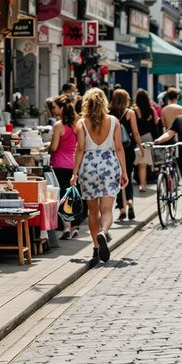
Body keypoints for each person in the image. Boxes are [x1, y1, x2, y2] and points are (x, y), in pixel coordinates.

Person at [72, 88, 128, 266]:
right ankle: (104, 231)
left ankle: (96, 248)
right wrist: (124, 171)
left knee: (92, 211)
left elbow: (80, 148)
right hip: (109, 165)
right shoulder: (113, 121)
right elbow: (119, 148)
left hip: (88, 165)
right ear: (104, 102)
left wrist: (75, 172)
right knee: (107, 210)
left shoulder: (82, 123)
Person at [49, 96, 79, 238]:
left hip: (59, 164)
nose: (53, 110)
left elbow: (54, 147)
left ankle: (66, 227)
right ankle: (73, 226)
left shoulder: (58, 126)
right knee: (71, 196)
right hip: (73, 164)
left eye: (54, 107)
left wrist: (47, 149)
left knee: (61, 196)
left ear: (61, 108)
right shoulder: (77, 124)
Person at [111, 89, 141, 222]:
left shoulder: (108, 113)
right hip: (128, 149)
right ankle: (129, 201)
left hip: (113, 150)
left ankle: (122, 209)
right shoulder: (130, 113)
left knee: (117, 178)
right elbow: (135, 132)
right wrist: (140, 146)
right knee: (128, 175)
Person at [133, 89, 158, 191]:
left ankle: (142, 184)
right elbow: (156, 122)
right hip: (149, 138)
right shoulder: (151, 109)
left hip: (137, 137)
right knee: (144, 163)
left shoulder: (135, 110)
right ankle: (143, 183)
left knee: (141, 163)